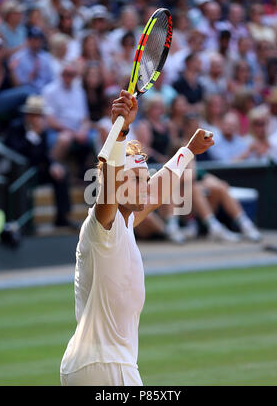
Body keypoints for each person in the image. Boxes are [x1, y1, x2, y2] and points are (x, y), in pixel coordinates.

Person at [60, 90, 214, 386]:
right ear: (117, 184)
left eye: (145, 177)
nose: (146, 185)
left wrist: (188, 150)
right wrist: (121, 130)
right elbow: (112, 182)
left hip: (95, 365)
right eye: (137, 179)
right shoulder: (103, 222)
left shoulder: (125, 222)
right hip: (106, 365)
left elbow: (156, 192)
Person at [5, 95, 73, 228]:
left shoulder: (42, 131)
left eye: (40, 115)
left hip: (36, 171)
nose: (38, 118)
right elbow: (16, 152)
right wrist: (32, 135)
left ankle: (62, 218)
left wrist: (53, 165)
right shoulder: (15, 128)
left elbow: (43, 154)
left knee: (61, 174)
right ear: (28, 115)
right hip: (19, 173)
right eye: (35, 115)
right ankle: (25, 224)